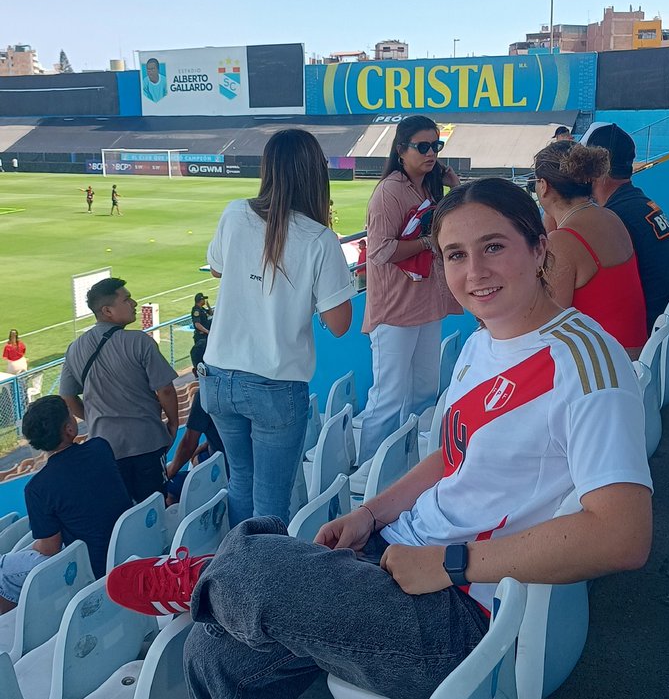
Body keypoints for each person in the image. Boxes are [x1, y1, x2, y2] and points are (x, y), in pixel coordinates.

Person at [107, 178, 653, 699]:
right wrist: (371, 513)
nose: (474, 271)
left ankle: (223, 571)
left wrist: (452, 563)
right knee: (214, 650)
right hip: (401, 561)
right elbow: (452, 457)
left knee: (248, 578)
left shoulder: (587, 364)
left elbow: (623, 535)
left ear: (538, 248)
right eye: (454, 254)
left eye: (494, 246)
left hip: (463, 619)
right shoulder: (484, 340)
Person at [196, 128, 353, 527]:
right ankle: (258, 585)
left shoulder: (234, 213)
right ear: (317, 175)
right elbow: (340, 324)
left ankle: (235, 576)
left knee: (241, 484)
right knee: (270, 505)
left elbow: (217, 267)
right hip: (274, 387)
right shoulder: (320, 239)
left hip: (217, 380)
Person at [356, 115, 462, 465]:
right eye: (423, 146)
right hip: (396, 310)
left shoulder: (429, 187)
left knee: (423, 393)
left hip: (427, 305)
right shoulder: (389, 192)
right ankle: (369, 472)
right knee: (388, 398)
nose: (431, 152)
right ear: (401, 150)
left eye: (437, 145)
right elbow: (381, 250)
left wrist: (452, 183)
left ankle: (408, 465)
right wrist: (425, 242)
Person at [0, 396, 131, 613]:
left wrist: (29, 550)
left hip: (91, 567)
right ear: (69, 429)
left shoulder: (38, 488)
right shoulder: (100, 448)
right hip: (125, 548)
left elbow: (48, 549)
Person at [59, 276, 178, 502]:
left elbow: (67, 395)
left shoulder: (74, 348)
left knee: (122, 510)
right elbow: (166, 391)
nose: (133, 303)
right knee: (154, 507)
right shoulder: (140, 342)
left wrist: (93, 416)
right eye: (127, 299)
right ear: (107, 310)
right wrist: (173, 423)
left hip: (105, 447)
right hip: (147, 442)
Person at [534, 141, 647, 357]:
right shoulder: (611, 217)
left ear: (543, 186)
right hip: (631, 358)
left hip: (604, 367)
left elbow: (544, 324)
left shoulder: (564, 242)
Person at [581, 123, 669, 333]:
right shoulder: (639, 204)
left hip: (646, 340)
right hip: (662, 335)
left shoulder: (615, 217)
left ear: (595, 168)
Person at [166, 343, 227, 505]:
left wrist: (170, 472)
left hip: (227, 470)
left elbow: (188, 443)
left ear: (196, 372)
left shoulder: (205, 395)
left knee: (170, 487)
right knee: (199, 457)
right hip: (245, 460)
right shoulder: (238, 385)